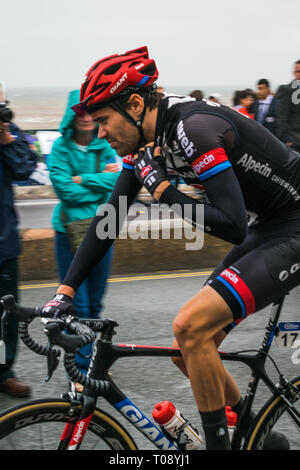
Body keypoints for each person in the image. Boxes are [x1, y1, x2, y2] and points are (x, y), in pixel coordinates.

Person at [39, 46, 299, 450]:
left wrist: (163, 191)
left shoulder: (192, 128)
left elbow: (230, 225)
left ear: (136, 105)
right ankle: (259, 436)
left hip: (294, 226)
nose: (102, 133)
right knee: (188, 351)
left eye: (105, 120)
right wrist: (64, 292)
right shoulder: (147, 142)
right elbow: (110, 218)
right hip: (269, 225)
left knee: (189, 326)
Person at [49, 89, 120, 375]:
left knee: (95, 302)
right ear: (71, 114)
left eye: (91, 111)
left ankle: (88, 359)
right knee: (76, 304)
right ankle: (81, 368)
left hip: (102, 230)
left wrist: (82, 178)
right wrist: (100, 181)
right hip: (70, 234)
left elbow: (118, 182)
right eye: (80, 111)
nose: (87, 117)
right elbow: (64, 191)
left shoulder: (106, 144)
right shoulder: (59, 148)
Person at [0, 97, 37, 397]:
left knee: (7, 315)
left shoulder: (7, 131)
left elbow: (26, 167)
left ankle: (3, 372)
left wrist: (6, 139)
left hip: (4, 242)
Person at [275, 60, 300, 152]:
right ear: (294, 73)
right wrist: (286, 139)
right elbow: (282, 117)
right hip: (293, 141)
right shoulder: (287, 90)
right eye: (298, 71)